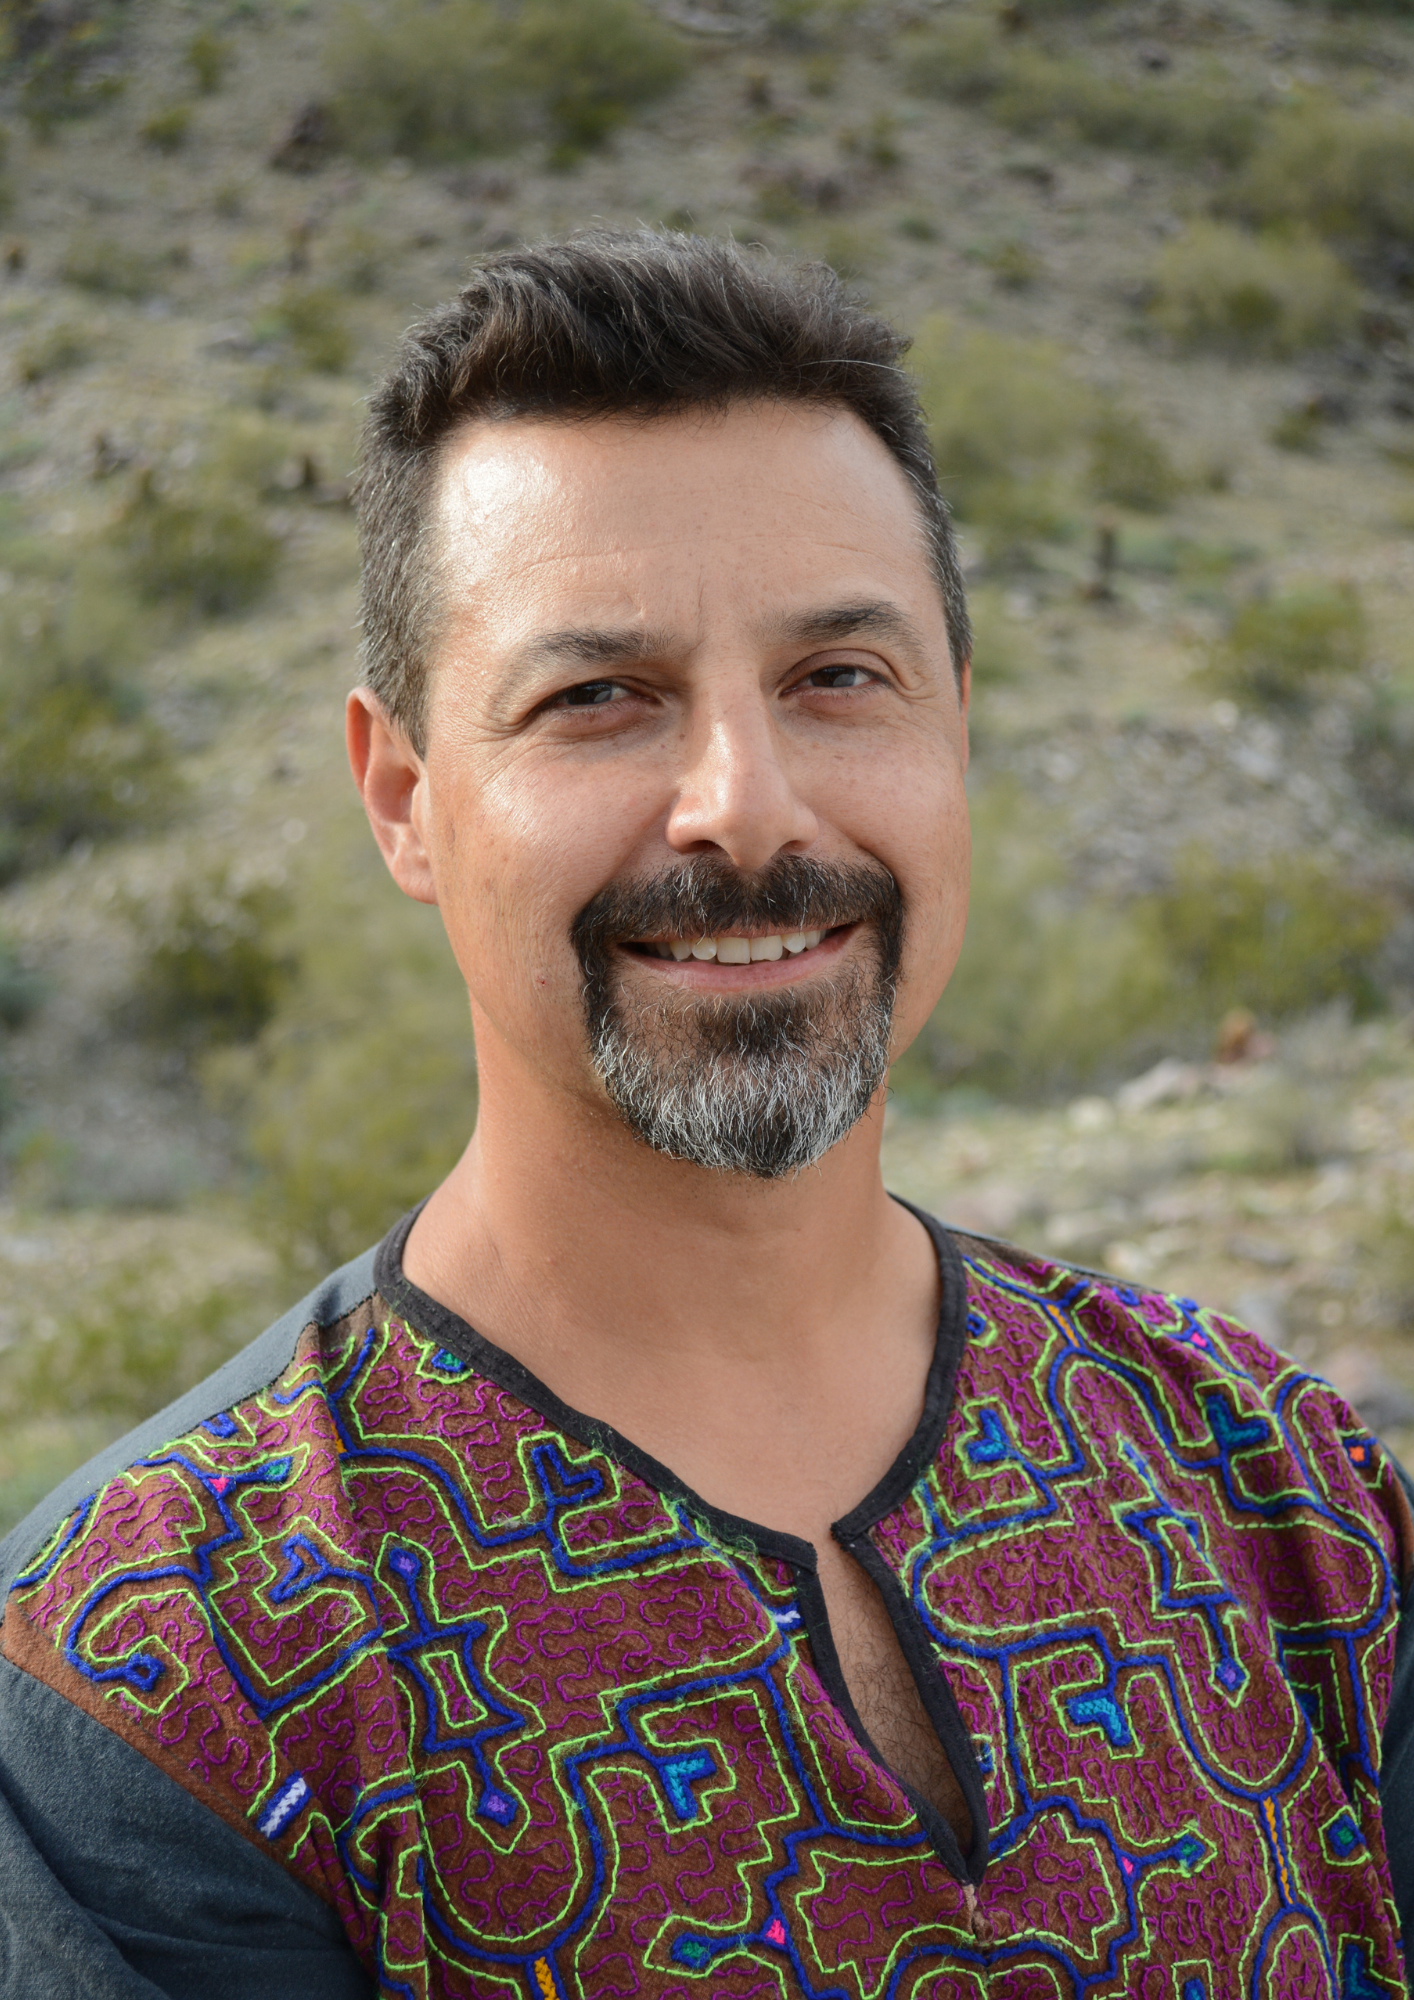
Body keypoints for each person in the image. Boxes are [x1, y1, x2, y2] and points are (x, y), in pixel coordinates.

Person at [2, 232, 1412, 2000]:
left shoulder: (1277, 1488)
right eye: (597, 699)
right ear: (406, 797)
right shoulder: (162, 1666)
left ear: (955, 733)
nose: (743, 808)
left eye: (839, 678)